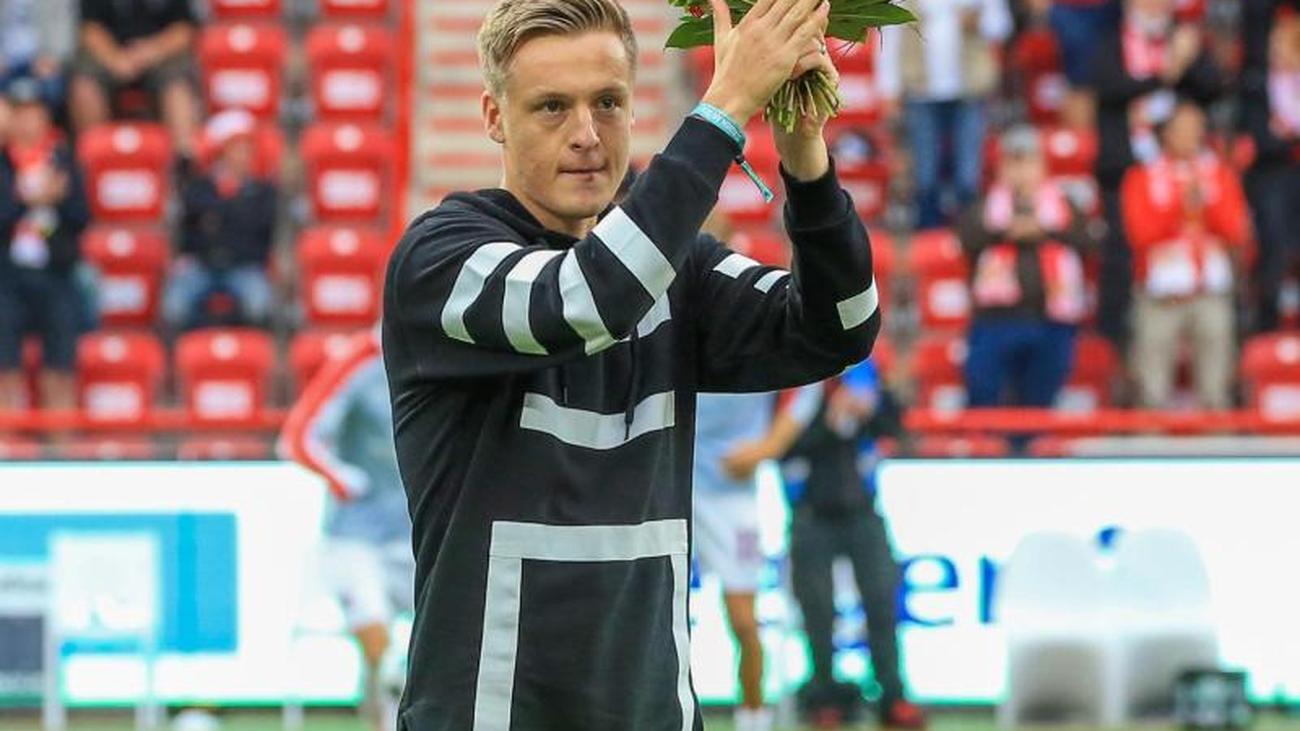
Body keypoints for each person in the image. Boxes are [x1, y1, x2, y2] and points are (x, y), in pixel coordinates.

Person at [381, 0, 883, 726]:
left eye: (608, 103)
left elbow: (842, 327)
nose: (586, 134)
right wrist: (725, 104)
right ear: (494, 117)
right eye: (552, 106)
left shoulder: (674, 270)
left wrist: (806, 159)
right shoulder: (440, 257)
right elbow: (584, 300)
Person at [727, 360, 923, 730]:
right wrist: (828, 423)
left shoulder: (864, 370)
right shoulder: (792, 375)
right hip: (810, 512)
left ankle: (892, 695)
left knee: (881, 600)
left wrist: (877, 406)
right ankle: (824, 695)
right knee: (817, 610)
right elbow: (779, 447)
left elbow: (892, 427)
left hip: (863, 509)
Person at [278, 328, 413, 731]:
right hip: (356, 535)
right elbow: (297, 438)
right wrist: (343, 480)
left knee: (450, 632)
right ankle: (383, 711)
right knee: (374, 629)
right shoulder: (361, 357)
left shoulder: (449, 350)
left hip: (417, 530)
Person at [1086, 0, 1225, 347]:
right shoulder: (1111, 40)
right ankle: (1113, 344)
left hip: (1178, 171)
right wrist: (1165, 72)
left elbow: (1214, 88)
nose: (1157, 6)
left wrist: (1188, 59)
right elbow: (1109, 88)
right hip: (1125, 169)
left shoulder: (1183, 39)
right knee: (1120, 256)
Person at [1121, 101, 1250, 410]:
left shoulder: (1219, 174)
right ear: (1166, 133)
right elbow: (1140, 233)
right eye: (1182, 129)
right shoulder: (1142, 176)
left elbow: (1235, 229)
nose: (1190, 136)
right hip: (1160, 293)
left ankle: (1217, 439)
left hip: (1210, 289)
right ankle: (1149, 439)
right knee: (1151, 389)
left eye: (1196, 129)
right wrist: (1180, 205)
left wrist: (1205, 205)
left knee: (1216, 389)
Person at [959, 126, 1095, 409]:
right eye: (1013, 162)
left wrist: (1044, 230)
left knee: (1040, 403)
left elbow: (1087, 240)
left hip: (1051, 320)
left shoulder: (1064, 205)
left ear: (1042, 166)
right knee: (984, 396)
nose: (1021, 171)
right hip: (996, 321)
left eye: (1028, 162)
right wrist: (1005, 230)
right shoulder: (986, 205)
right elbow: (968, 238)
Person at [877, 0, 1014, 229]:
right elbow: (889, 37)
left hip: (969, 90)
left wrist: (978, 22)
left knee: (968, 177)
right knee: (925, 177)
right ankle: (928, 240)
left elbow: (1002, 25)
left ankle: (968, 236)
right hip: (920, 92)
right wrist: (889, 91)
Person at [0, 76, 89, 413]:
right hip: (6, 277)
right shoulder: (3, 164)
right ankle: (7, 440)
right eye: (20, 113)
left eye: (34, 112)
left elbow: (81, 217)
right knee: (5, 370)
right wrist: (26, 200)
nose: (27, 121)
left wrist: (54, 202)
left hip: (55, 272)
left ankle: (60, 441)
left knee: (60, 369)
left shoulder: (63, 161)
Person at [162, 109, 277, 332]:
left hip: (245, 266)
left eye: (247, 148)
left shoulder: (263, 191)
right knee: (174, 307)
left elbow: (261, 231)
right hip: (202, 265)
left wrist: (219, 216)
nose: (243, 155)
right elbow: (189, 228)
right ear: (221, 152)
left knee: (259, 306)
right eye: (236, 148)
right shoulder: (199, 188)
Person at [70, 0, 201, 161]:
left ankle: (184, 161)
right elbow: (89, 29)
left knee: (178, 87)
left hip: (159, 53)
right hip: (109, 54)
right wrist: (115, 60)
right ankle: (92, 161)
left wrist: (152, 51)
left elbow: (184, 29)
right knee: (85, 86)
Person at [1240, 15, 1300, 332]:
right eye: (1274, 42)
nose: (1278, 50)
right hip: (1273, 177)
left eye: (1286, 43)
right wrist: (1282, 138)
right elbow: (1258, 135)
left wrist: (1284, 133)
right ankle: (1267, 326)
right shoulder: (1257, 82)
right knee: (1274, 250)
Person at [0, 0, 76, 140]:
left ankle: (54, 145)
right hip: (6, 65)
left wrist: (52, 58)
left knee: (52, 86)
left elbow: (65, 37)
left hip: (43, 63)